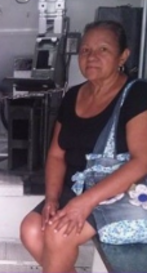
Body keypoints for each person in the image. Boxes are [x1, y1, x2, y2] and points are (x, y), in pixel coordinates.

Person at [20, 20, 147, 273]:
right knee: (32, 230)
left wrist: (85, 203)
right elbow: (56, 154)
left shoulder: (137, 93)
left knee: (58, 234)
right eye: (85, 50)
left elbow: (142, 161)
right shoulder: (72, 96)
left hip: (122, 193)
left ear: (123, 56)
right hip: (79, 189)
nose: (92, 57)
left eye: (103, 49)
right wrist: (52, 198)